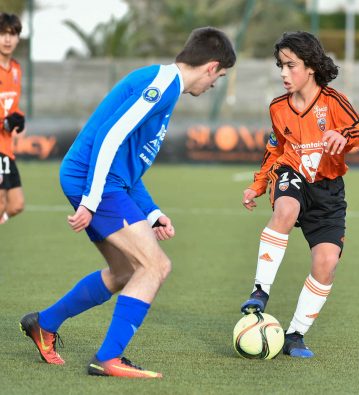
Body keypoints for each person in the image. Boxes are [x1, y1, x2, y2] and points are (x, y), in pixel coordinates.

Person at [20, 26, 236, 378]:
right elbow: (109, 136)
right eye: (220, 76)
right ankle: (108, 358)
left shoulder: (166, 87)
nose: (214, 85)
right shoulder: (163, 85)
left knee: (124, 271)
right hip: (96, 183)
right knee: (155, 267)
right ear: (211, 67)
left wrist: (152, 212)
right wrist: (90, 200)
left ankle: (44, 324)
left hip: (105, 182)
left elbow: (127, 163)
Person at [240, 31, 359, 358]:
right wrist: (258, 185)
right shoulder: (278, 107)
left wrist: (343, 135)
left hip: (328, 191)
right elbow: (275, 149)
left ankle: (294, 336)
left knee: (326, 262)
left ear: (310, 68)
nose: (283, 74)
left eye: (290, 66)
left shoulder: (333, 102)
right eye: (281, 66)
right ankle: (260, 291)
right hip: (293, 176)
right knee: (286, 208)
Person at [0, 13, 25, 225]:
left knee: (15, 205)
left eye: (12, 34)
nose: (7, 39)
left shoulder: (16, 69)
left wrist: (18, 119)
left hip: (6, 147)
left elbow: (12, 107)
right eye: (2, 34)